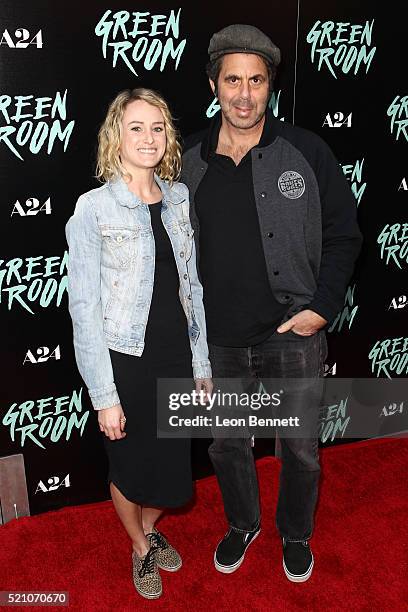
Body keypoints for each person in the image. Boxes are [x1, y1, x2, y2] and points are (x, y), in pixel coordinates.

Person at [181, 24, 363, 582]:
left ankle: (296, 533)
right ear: (213, 84)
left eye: (255, 80)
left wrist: (322, 307)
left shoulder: (307, 151)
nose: (243, 94)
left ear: (270, 87)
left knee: (301, 450)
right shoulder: (186, 161)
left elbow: (345, 234)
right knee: (228, 445)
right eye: (232, 79)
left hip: (293, 333)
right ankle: (242, 524)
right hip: (221, 341)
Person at [65, 88, 212, 600]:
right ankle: (138, 545)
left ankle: (150, 527)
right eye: (136, 127)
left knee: (172, 472)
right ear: (116, 136)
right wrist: (103, 395)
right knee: (130, 467)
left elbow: (191, 288)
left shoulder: (179, 197)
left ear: (166, 135)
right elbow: (83, 308)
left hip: (176, 354)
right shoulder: (92, 209)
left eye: (156, 127)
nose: (148, 137)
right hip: (125, 362)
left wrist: (202, 364)